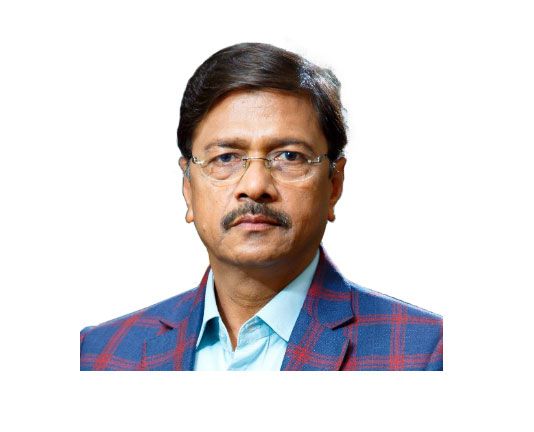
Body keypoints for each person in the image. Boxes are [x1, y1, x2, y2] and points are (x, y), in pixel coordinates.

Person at [80, 42, 443, 371]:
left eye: (289, 156)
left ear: (334, 185)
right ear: (188, 188)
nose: (254, 186)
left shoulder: (428, 353)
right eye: (226, 158)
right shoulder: (97, 355)